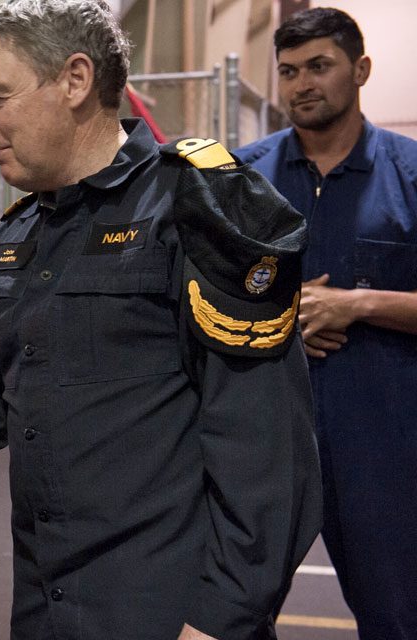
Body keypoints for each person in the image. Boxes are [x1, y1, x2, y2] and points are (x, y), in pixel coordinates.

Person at [0, 2, 322, 639]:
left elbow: (267, 454)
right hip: (47, 612)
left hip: (169, 616)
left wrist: (220, 622)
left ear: (75, 80)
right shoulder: (20, 236)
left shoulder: (195, 207)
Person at [235, 8, 417, 637]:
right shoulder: (240, 179)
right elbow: (190, 294)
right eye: (288, 71)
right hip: (260, 437)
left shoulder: (411, 176)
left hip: (385, 442)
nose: (301, 84)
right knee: (230, 615)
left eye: (319, 66)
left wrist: (357, 305)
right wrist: (283, 317)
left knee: (398, 614)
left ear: (360, 70)